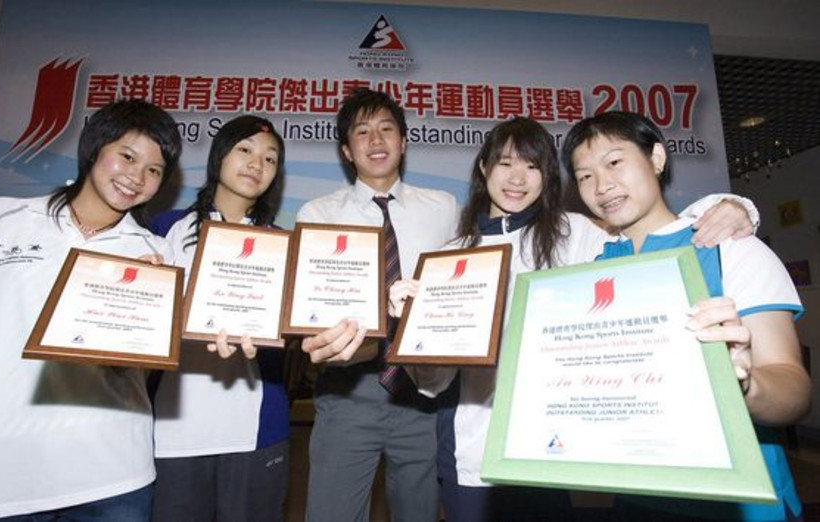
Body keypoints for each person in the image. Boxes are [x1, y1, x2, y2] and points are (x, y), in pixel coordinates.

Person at [388, 116, 759, 522]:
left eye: (533, 166)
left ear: (548, 177)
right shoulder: (450, 255)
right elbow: (434, 382)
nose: (518, 178)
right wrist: (417, 335)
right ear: (483, 168)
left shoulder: (578, 233)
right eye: (506, 163)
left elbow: (652, 235)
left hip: (551, 448)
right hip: (471, 450)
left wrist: (735, 208)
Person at [0, 99, 182, 521]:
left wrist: (147, 308)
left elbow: (142, 372)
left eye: (154, 170)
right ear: (95, 150)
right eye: (127, 156)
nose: (137, 177)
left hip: (110, 478)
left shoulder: (156, 255)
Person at [562, 110, 810, 522]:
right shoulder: (595, 268)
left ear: (657, 159)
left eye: (614, 162)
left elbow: (794, 390)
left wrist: (744, 385)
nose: (602, 185)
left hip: (743, 503)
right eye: (584, 175)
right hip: (637, 496)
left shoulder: (729, 248)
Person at [297, 88, 459, 522]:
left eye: (387, 129)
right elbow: (310, 305)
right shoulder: (318, 214)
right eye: (362, 132)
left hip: (421, 391)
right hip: (348, 388)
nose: (376, 140)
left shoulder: (443, 208)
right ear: (347, 150)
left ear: (404, 142)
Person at [149, 115, 289, 522]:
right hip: (173, 429)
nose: (256, 164)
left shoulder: (282, 243)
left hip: (256, 432)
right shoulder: (164, 228)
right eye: (244, 150)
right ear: (219, 157)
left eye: (270, 159)